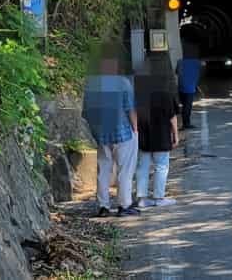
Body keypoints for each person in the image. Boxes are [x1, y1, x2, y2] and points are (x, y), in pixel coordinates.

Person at [82, 38, 140, 217]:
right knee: (125, 169)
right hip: (123, 133)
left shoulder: (91, 84)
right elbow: (130, 109)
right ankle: (124, 205)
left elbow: (86, 112)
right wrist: (136, 129)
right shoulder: (123, 83)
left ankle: (103, 207)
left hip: (102, 133)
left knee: (103, 169)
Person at [134, 55, 181, 208]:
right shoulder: (167, 95)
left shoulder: (140, 94)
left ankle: (142, 198)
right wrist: (176, 135)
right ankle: (159, 198)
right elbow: (172, 117)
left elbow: (133, 114)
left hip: (144, 136)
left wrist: (135, 132)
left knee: (142, 166)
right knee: (161, 166)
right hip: (161, 137)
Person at [176, 41, 202, 130]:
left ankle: (185, 123)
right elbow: (199, 73)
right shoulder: (197, 62)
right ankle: (186, 123)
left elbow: (177, 72)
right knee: (187, 106)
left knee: (184, 106)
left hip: (181, 87)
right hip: (190, 88)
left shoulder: (180, 61)